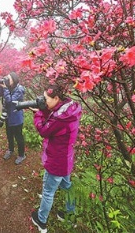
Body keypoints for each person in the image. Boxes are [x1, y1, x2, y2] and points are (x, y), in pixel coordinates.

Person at [30, 84, 82, 233]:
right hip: (66, 160)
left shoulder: (60, 118)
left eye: (46, 99)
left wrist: (39, 114)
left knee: (48, 192)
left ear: (56, 98)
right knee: (67, 186)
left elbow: (44, 130)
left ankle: (41, 221)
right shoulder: (68, 109)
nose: (44, 102)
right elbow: (56, 118)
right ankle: (69, 215)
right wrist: (45, 112)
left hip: (56, 161)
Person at [0, 72, 26, 165]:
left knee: (18, 137)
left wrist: (5, 88)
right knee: (9, 135)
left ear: (14, 80)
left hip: (16, 117)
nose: (7, 80)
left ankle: (22, 155)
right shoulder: (8, 87)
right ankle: (10, 150)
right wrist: (2, 86)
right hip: (8, 117)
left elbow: (10, 101)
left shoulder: (19, 89)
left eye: (8, 79)